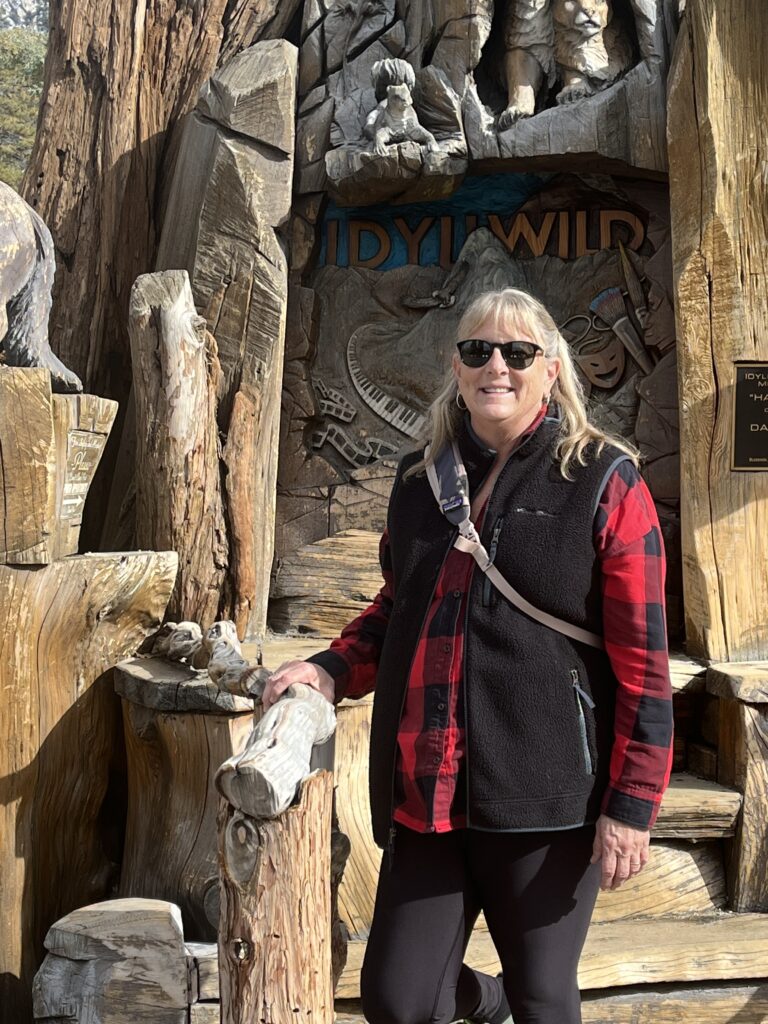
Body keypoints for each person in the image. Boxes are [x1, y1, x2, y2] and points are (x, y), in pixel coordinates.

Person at [263, 288, 674, 1024]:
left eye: (518, 353)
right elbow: (400, 608)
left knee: (543, 997)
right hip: (429, 793)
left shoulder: (603, 481)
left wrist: (633, 805)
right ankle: (486, 1003)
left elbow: (644, 665)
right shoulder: (418, 481)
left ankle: (511, 998)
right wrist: (328, 669)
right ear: (456, 367)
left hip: (547, 796)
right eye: (478, 350)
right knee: (397, 1001)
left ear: (551, 369)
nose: (497, 366)